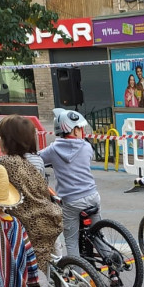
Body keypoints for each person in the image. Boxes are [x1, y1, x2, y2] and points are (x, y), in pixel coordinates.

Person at [0, 115, 62, 287]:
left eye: (1, 138)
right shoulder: (38, 160)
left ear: (8, 141)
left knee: (31, 271)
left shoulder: (2, 163)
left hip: (27, 224)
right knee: (44, 265)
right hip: (50, 216)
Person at [38, 108, 100, 259]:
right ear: (74, 129)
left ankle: (76, 275)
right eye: (80, 128)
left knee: (71, 241)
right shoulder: (86, 146)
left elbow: (37, 159)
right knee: (97, 235)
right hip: (92, 196)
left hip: (71, 202)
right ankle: (113, 270)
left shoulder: (52, 150)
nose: (82, 131)